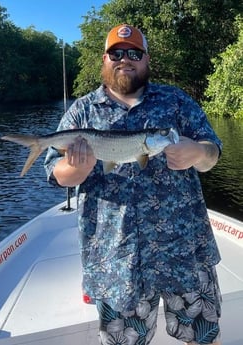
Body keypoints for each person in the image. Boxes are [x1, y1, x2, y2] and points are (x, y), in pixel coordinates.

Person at [45, 24, 222, 345]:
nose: (125, 59)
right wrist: (74, 168)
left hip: (186, 252)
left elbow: (212, 155)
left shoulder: (176, 101)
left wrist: (197, 151)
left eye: (134, 53)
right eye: (116, 52)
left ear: (146, 59)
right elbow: (55, 172)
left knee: (204, 338)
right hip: (116, 261)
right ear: (105, 58)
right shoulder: (82, 111)